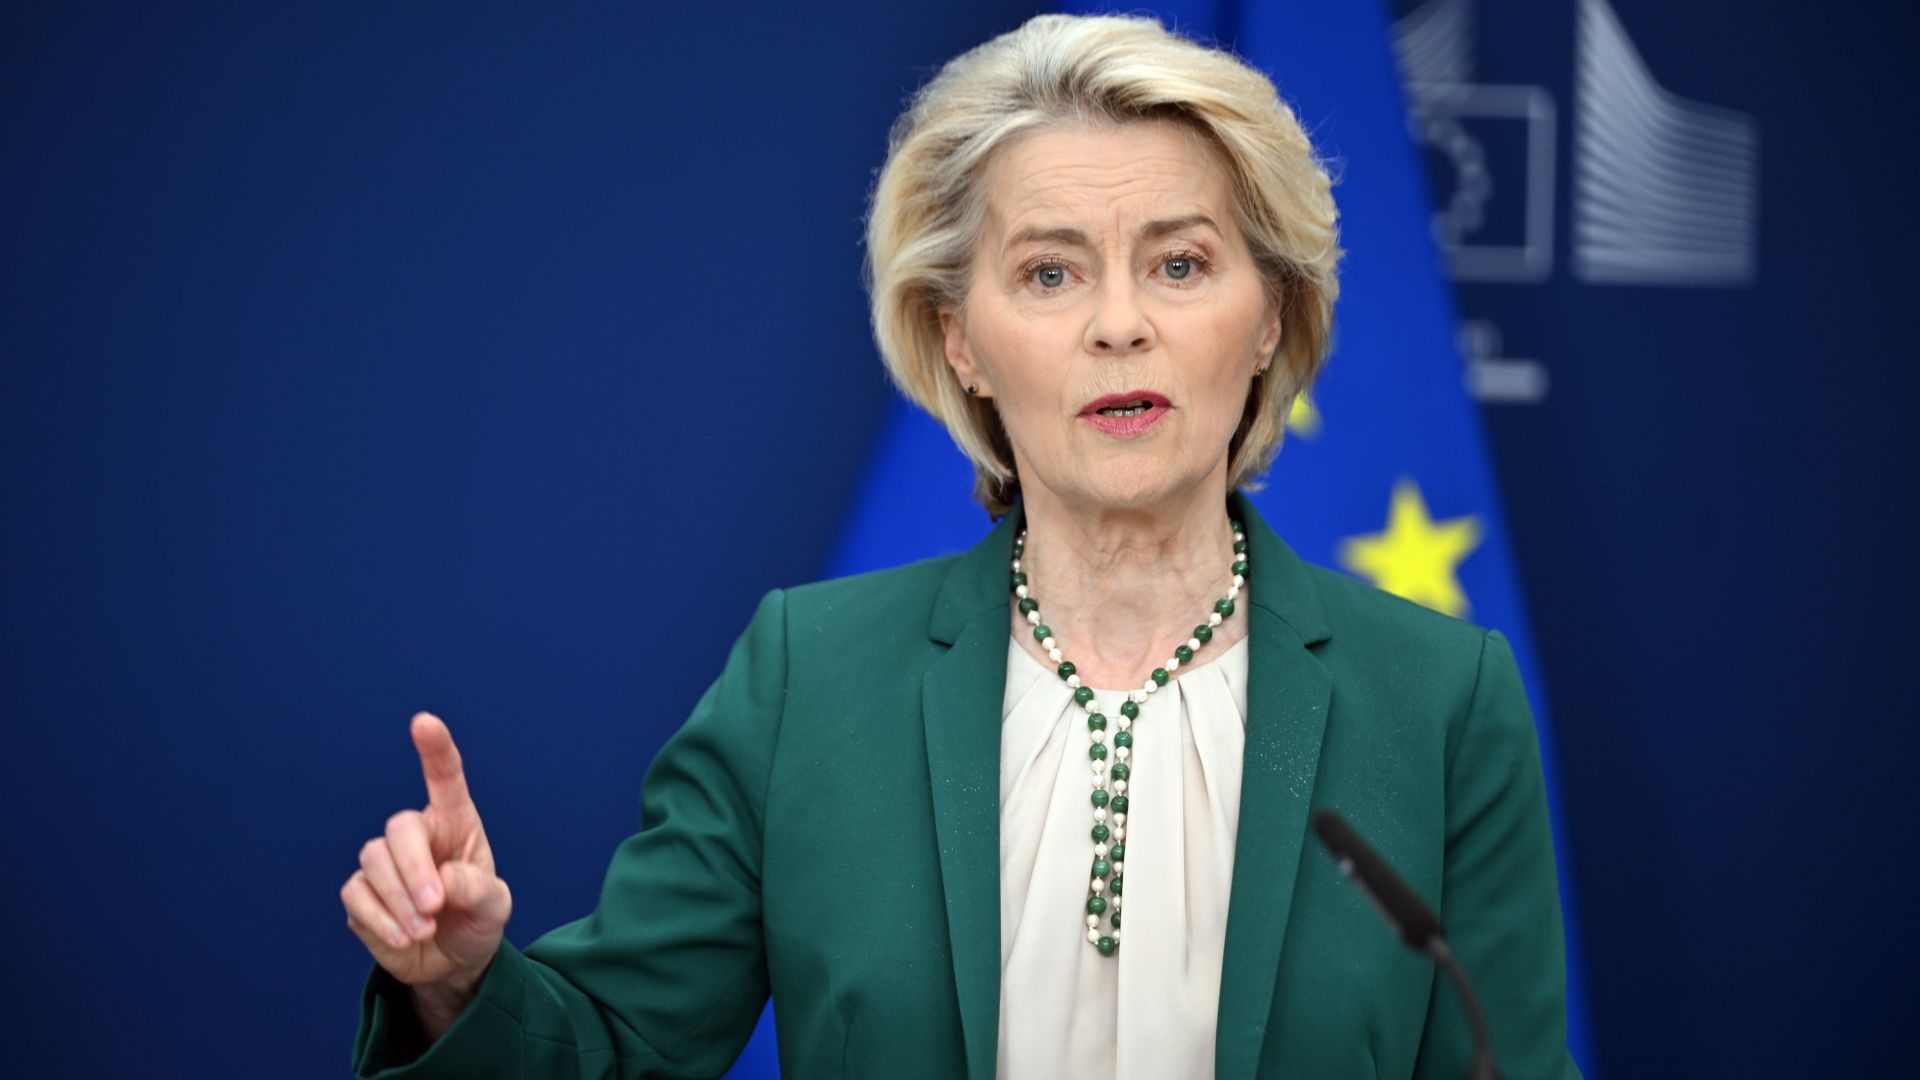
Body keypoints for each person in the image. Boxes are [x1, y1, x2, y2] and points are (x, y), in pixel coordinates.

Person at [339, 12, 1581, 1079]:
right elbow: (612, 1053)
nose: (1118, 325)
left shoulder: (1438, 704)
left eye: (1183, 264)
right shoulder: (809, 681)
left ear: (1271, 320)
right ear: (963, 341)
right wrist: (457, 983)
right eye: (1049, 274)